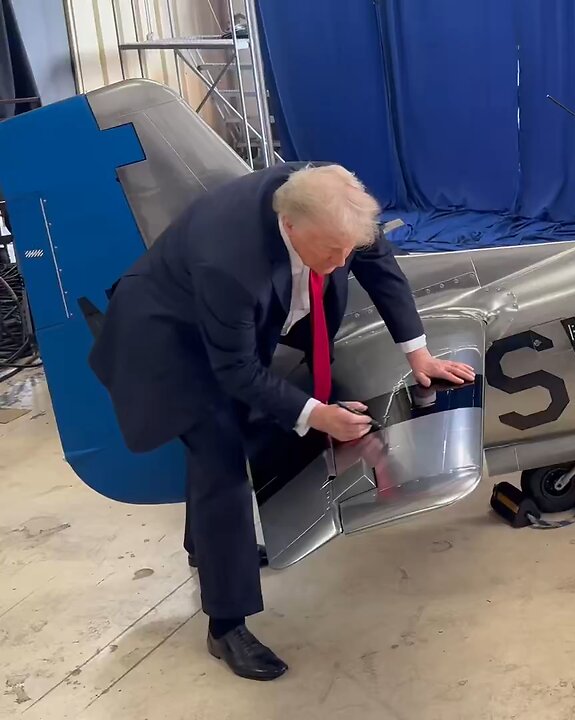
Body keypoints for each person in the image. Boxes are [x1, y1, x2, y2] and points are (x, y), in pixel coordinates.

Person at [88, 162, 475, 680]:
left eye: (347, 250)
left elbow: (376, 263)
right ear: (289, 227)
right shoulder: (230, 260)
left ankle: (205, 548)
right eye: (330, 253)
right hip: (169, 339)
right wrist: (317, 416)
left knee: (241, 435)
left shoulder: (334, 205)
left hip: (232, 324)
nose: (341, 264)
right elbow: (235, 370)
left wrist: (418, 354)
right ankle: (225, 624)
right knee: (221, 458)